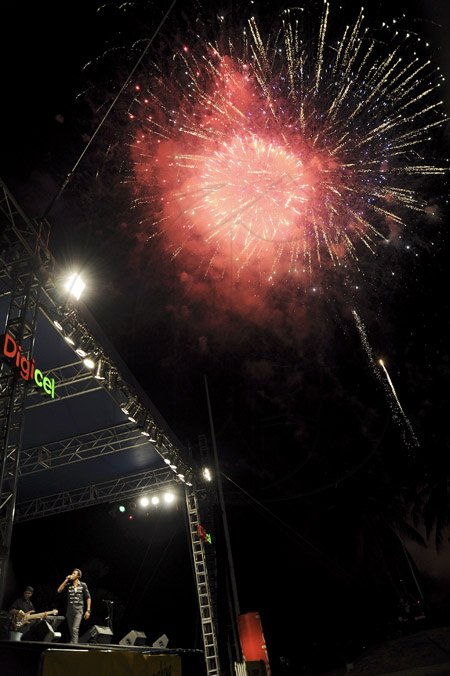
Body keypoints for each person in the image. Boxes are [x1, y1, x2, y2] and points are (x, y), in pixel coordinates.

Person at [57, 568, 91, 643]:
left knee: (75, 629)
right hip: (69, 611)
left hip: (78, 610)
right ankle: (73, 643)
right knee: (72, 630)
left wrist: (88, 611)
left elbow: (88, 598)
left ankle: (74, 646)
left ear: (78, 576)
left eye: (74, 573)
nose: (72, 575)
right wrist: (66, 580)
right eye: (72, 573)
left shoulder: (83, 585)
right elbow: (59, 590)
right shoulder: (69, 585)